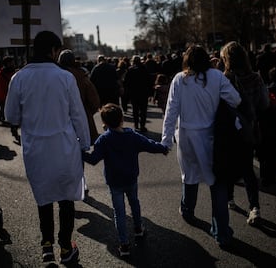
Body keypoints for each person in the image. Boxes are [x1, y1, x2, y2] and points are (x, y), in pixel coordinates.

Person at [4, 31, 90, 265]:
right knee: (65, 199)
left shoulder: (18, 78)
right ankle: (65, 246)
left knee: (44, 198)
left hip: (36, 151)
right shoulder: (64, 77)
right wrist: (86, 142)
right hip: (64, 148)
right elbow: (78, 115)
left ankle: (46, 245)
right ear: (53, 50)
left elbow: (10, 115)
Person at [161, 45, 241, 247]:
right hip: (212, 138)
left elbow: (171, 111)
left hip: (187, 136)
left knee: (189, 176)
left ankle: (187, 210)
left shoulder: (180, 79)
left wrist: (165, 141)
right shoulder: (216, 77)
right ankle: (221, 231)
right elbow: (236, 99)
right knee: (217, 182)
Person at [82, 103, 168, 256]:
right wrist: (163, 148)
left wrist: (79, 151)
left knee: (119, 212)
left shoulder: (104, 139)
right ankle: (138, 228)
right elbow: (149, 145)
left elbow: (93, 159)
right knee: (134, 202)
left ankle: (124, 244)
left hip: (114, 181)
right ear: (122, 118)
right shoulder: (132, 135)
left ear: (104, 122)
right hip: (130, 178)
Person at [219, 41, 270, 223]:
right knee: (248, 169)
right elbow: (264, 104)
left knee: (227, 166)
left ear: (226, 59)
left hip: (229, 131)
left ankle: (230, 198)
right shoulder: (256, 78)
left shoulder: (224, 79)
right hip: (250, 129)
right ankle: (254, 207)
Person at [58, 49, 101, 196]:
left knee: (61, 154)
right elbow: (94, 100)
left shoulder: (55, 76)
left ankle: (64, 184)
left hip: (58, 121)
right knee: (79, 153)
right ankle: (81, 182)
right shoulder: (81, 76)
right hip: (80, 120)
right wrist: (88, 112)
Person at [124, 55, 151, 132]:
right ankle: (142, 125)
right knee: (143, 110)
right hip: (143, 93)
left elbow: (126, 82)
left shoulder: (130, 70)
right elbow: (149, 81)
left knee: (135, 110)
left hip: (133, 93)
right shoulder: (144, 69)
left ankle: (136, 125)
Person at [0, 56, 15, 123]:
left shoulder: (14, 72)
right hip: (5, 97)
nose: (12, 64)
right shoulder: (0, 74)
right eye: (11, 62)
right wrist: (3, 98)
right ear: (7, 63)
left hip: (14, 96)